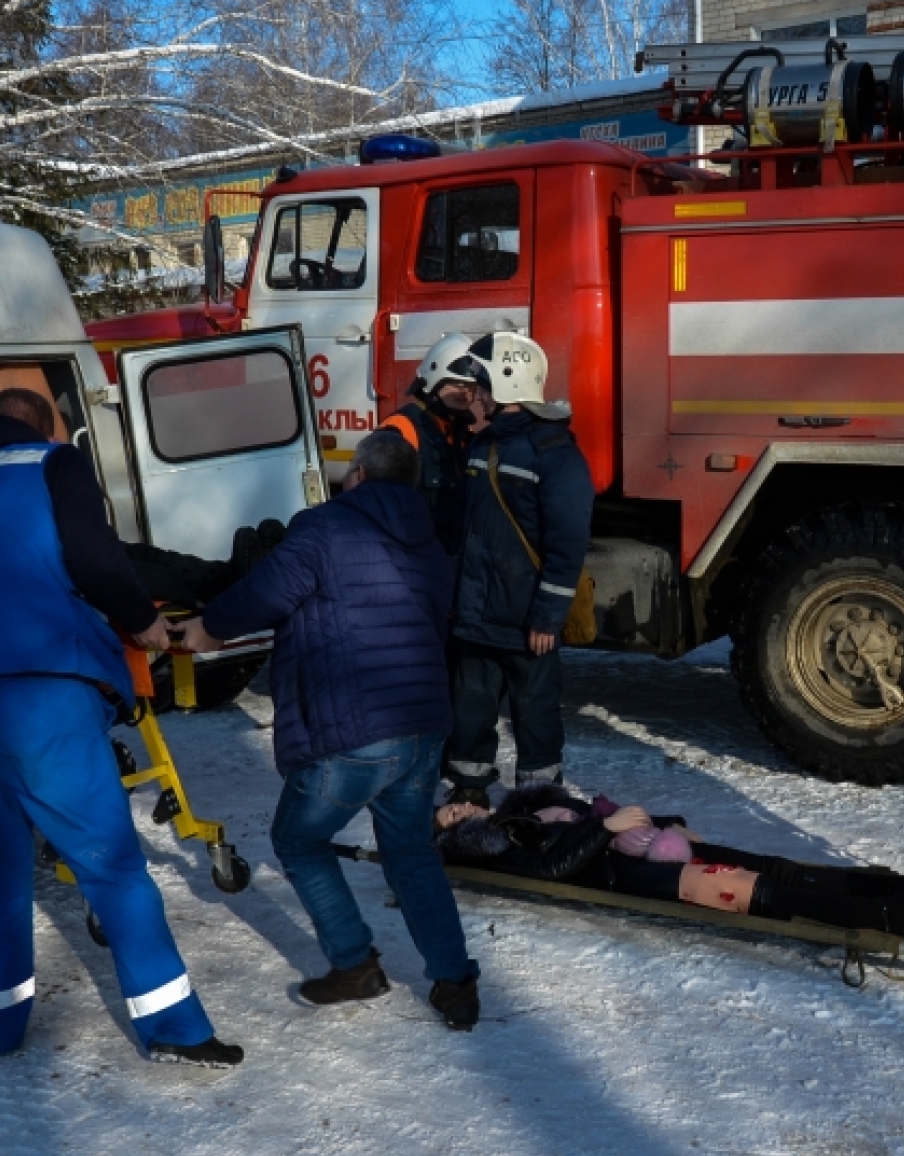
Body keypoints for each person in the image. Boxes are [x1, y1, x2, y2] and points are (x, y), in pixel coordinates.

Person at [0, 387, 244, 1067]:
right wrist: (144, 626)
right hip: (40, 688)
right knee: (112, 865)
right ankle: (174, 1029)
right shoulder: (52, 463)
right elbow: (95, 559)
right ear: (45, 423)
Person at [180, 432, 482, 1031]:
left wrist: (207, 627)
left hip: (355, 729)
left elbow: (265, 594)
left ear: (360, 475)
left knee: (298, 840)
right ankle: (455, 981)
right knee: (411, 853)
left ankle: (354, 964)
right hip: (421, 726)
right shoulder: (430, 541)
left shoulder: (324, 529)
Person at [435, 784, 904, 939]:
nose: (458, 809)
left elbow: (606, 816)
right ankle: (893, 916)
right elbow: (551, 869)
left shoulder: (522, 807)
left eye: (455, 803)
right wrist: (604, 829)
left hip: (656, 844)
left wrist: (667, 819)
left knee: (770, 865)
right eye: (449, 817)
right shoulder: (494, 844)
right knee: (759, 890)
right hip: (634, 874)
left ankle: (896, 889)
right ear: (459, 833)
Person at [443, 332, 594, 806]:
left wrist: (548, 615)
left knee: (536, 713)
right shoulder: (482, 445)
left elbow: (567, 545)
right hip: (476, 618)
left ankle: (539, 803)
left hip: (527, 621)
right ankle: (468, 795)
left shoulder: (555, 454)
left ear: (506, 383)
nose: (478, 395)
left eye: (483, 384)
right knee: (469, 711)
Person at [381, 332, 481, 557]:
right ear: (433, 381)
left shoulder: (464, 435)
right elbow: (377, 503)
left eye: (471, 386)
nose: (465, 392)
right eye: (456, 383)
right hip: (412, 558)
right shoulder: (402, 428)